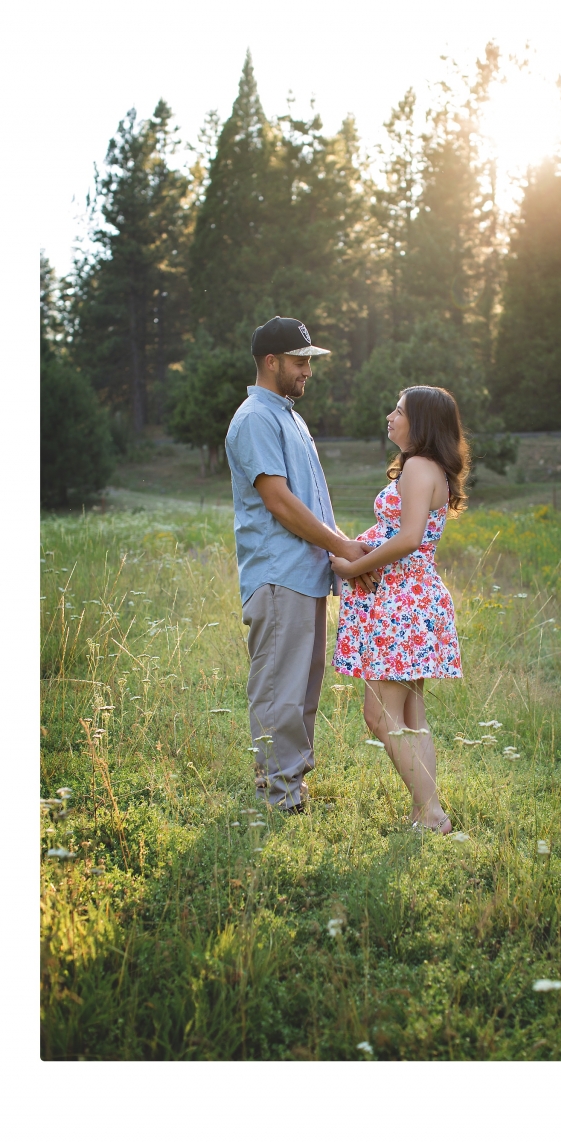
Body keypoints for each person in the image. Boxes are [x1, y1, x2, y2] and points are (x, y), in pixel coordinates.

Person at [225, 316, 380, 813]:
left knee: (302, 688)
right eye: (299, 361)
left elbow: (310, 502)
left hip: (306, 575)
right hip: (278, 575)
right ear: (271, 362)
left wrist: (342, 551)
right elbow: (279, 502)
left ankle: (290, 786)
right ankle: (277, 796)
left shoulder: (289, 416)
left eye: (310, 361)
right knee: (280, 690)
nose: (308, 371)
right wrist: (343, 547)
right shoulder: (256, 418)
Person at [330, 385, 469, 834]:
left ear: (421, 423)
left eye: (399, 411)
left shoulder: (418, 468)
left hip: (404, 601)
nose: (390, 417)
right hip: (412, 597)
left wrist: (353, 567)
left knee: (380, 716)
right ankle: (423, 811)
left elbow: (409, 539)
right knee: (411, 717)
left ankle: (432, 813)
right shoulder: (429, 468)